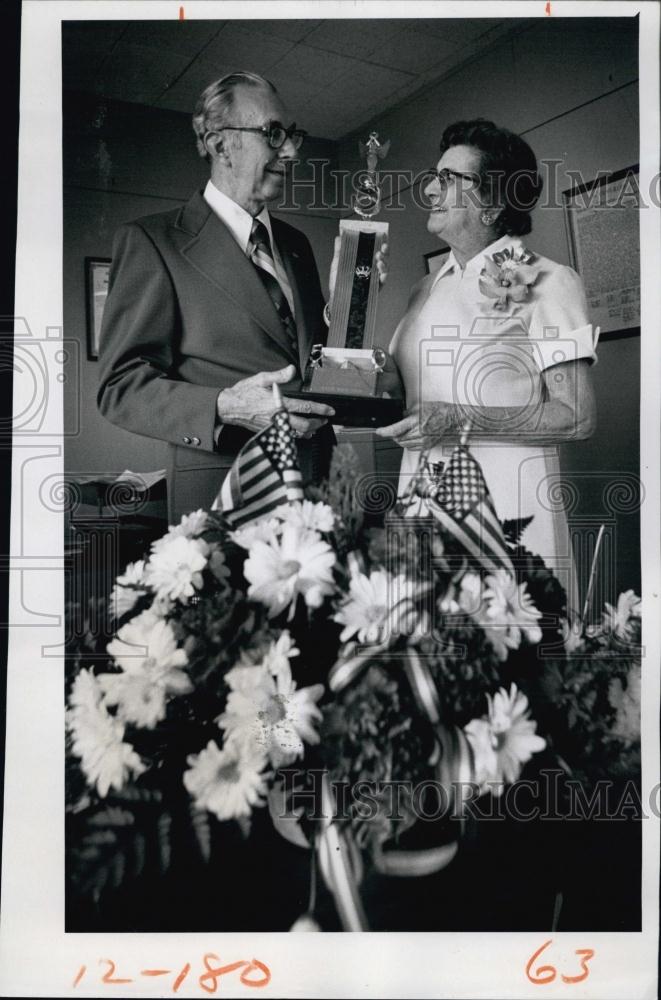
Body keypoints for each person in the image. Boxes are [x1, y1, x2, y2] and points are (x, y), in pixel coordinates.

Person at [98, 71, 385, 523]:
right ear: (219, 145)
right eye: (274, 134)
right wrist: (227, 406)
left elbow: (322, 371)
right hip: (224, 491)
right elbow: (120, 387)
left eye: (293, 135)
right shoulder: (152, 241)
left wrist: (349, 302)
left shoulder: (296, 244)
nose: (290, 151)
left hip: (322, 488)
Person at [378, 119, 598, 610]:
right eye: (435, 176)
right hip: (423, 508)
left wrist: (459, 419)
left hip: (509, 508)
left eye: (450, 179)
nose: (433, 189)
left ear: (494, 203)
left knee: (512, 662)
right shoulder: (426, 287)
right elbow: (395, 389)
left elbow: (577, 415)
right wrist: (351, 301)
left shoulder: (547, 280)